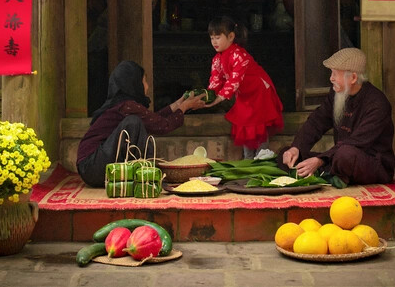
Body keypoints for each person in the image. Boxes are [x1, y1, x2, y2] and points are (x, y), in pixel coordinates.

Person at [77, 60, 206, 187]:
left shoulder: (123, 105)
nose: (147, 86)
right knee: (133, 122)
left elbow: (153, 120)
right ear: (134, 83)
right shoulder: (127, 106)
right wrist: (184, 107)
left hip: (92, 167)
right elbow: (163, 126)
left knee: (136, 122)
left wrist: (178, 104)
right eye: (144, 81)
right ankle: (146, 173)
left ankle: (143, 173)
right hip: (92, 166)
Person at [280, 47, 395, 186]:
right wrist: (296, 147)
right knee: (286, 155)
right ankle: (327, 172)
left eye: (335, 74)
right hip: (337, 158)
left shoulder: (377, 104)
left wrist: (320, 160)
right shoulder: (337, 94)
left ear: (353, 78)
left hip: (370, 164)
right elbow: (317, 121)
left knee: (345, 155)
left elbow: (356, 143)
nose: (331, 78)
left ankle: (328, 172)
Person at [205, 16, 284, 159]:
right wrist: (207, 96)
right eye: (211, 38)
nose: (214, 42)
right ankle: (248, 160)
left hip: (259, 92)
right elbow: (215, 80)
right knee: (244, 124)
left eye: (217, 37)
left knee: (259, 125)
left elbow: (234, 80)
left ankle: (262, 158)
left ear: (231, 37)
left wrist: (219, 98)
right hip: (244, 95)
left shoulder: (239, 54)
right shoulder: (217, 59)